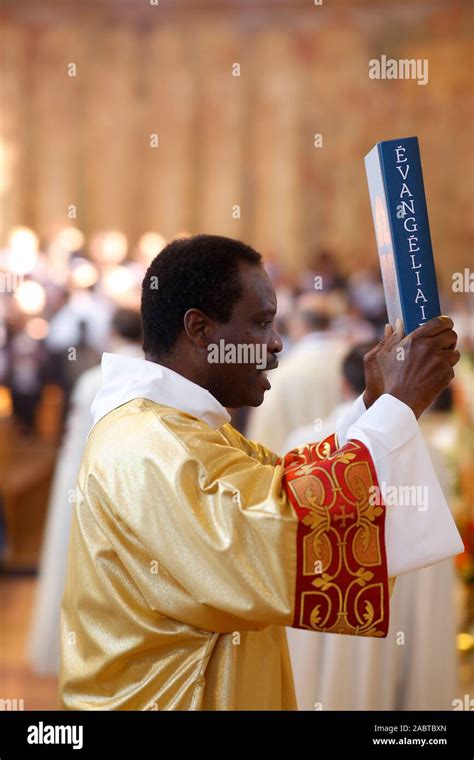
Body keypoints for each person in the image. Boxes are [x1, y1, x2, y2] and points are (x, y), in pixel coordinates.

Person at [59, 234, 463, 711]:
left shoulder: (180, 428)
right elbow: (271, 537)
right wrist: (399, 406)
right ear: (201, 329)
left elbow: (280, 483)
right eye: (261, 322)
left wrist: (374, 408)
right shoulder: (149, 444)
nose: (275, 343)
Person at [284, 346, 460, 710]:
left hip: (332, 620)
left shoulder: (304, 446)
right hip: (397, 620)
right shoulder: (429, 455)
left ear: (343, 385)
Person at [28, 309, 143, 676]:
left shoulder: (95, 379)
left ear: (111, 332)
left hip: (81, 487)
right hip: (134, 495)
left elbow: (73, 446)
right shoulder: (153, 377)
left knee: (76, 569)